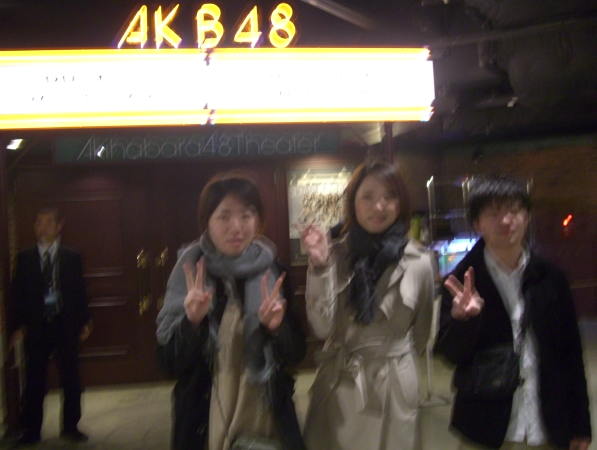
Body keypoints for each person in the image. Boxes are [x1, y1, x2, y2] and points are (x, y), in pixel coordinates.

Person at [435, 175, 592, 450]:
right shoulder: (461, 282)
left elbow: (570, 354)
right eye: (493, 213)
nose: (505, 220)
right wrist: (464, 321)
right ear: (477, 223)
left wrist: (580, 424)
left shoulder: (551, 279)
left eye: (514, 210)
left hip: (546, 426)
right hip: (485, 429)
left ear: (527, 217)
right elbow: (451, 356)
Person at [156, 172, 307, 450]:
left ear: (258, 220)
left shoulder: (275, 273)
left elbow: (296, 354)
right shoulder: (190, 274)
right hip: (206, 420)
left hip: (265, 415)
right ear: (207, 222)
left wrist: (277, 328)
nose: (236, 227)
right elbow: (169, 364)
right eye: (224, 216)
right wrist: (192, 323)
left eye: (246, 215)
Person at [300, 159, 435, 450]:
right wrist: (320, 267)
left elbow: (421, 335)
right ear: (353, 203)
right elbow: (321, 329)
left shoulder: (420, 261)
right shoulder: (333, 255)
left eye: (390, 196)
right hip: (342, 384)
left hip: (395, 388)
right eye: (368, 197)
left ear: (401, 203)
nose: (379, 206)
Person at [9, 206, 92, 446]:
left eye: (47, 223)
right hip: (37, 327)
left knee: (71, 379)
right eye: (38, 223)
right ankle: (32, 430)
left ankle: (71, 427)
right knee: (34, 380)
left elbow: (79, 291)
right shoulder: (24, 258)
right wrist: (19, 326)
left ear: (59, 226)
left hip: (65, 324)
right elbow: (17, 295)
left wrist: (85, 321)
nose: (42, 228)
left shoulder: (71, 256)